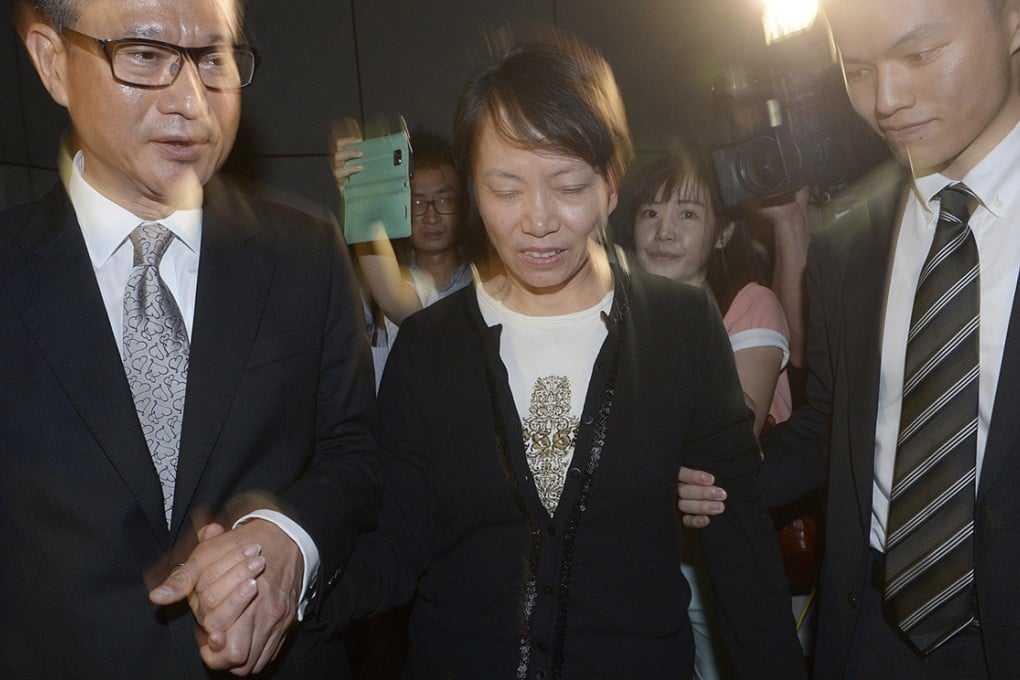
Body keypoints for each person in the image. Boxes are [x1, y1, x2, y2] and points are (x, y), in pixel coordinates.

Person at [329, 35, 807, 679]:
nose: (538, 220)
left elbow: (739, 548)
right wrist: (284, 580)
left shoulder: (680, 326)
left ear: (612, 185)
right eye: (505, 189)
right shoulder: (429, 346)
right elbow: (394, 545)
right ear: (474, 187)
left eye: (568, 185)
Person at [2, 0, 379, 677]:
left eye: (213, 58)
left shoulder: (305, 250)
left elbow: (356, 452)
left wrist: (290, 540)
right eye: (145, 55)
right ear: (53, 64)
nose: (190, 101)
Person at [679, 0, 1020, 676]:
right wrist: (718, 476)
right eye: (856, 69)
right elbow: (834, 427)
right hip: (870, 632)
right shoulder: (847, 241)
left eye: (919, 55)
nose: (885, 100)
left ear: (1012, 20)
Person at [620, 143, 794, 679]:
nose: (664, 231)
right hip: (644, 551)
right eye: (650, 212)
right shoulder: (614, 314)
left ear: (722, 232)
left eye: (687, 214)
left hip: (726, 548)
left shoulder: (749, 304)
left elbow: (735, 427)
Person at [334, 128, 473, 388]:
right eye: (417, 202)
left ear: (464, 205)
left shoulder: (487, 288)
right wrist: (362, 199)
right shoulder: (371, 290)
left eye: (444, 199)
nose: (431, 216)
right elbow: (394, 297)